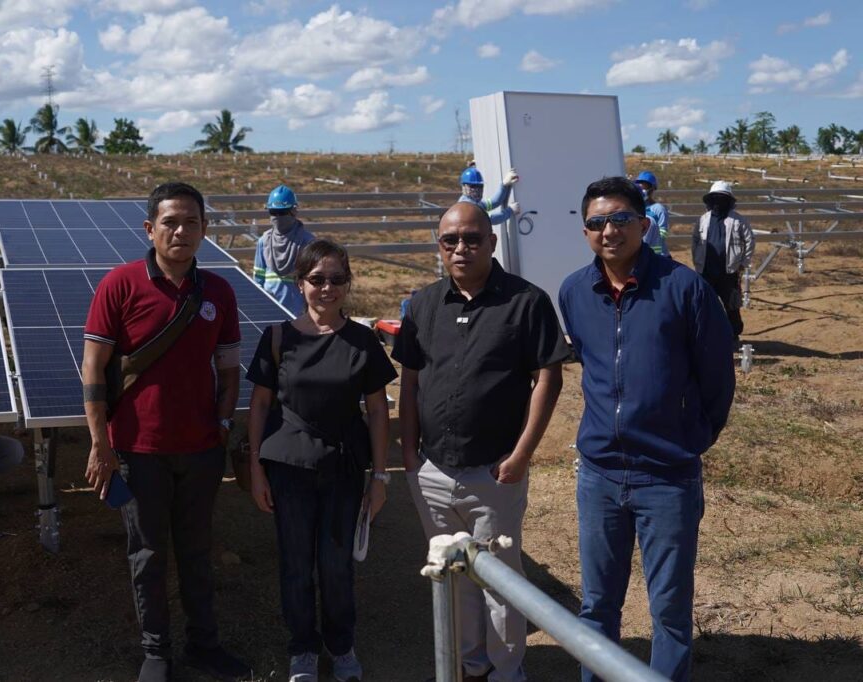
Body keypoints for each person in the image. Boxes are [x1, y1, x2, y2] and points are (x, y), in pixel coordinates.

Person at [558, 177, 736, 682]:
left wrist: (692, 438)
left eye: (618, 219)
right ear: (586, 230)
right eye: (596, 222)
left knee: (670, 611)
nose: (608, 230)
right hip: (600, 475)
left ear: (643, 223)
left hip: (667, 476)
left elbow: (717, 378)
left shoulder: (685, 289)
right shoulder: (574, 291)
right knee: (597, 603)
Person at [81, 181, 251, 682]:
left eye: (192, 222)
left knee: (198, 552)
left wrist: (222, 424)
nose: (181, 231)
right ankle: (156, 653)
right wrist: (100, 444)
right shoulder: (120, 284)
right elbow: (93, 368)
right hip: (138, 450)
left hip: (201, 449)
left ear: (204, 229)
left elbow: (230, 369)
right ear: (150, 228)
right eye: (170, 222)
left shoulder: (218, 291)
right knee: (148, 555)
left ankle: (204, 645)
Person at [395, 202, 570, 682]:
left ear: (492, 242)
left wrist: (521, 455)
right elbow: (409, 382)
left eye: (472, 238)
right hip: (432, 470)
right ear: (439, 246)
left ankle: (506, 672)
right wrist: (410, 454)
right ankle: (471, 665)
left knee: (501, 582)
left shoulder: (526, 302)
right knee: (454, 580)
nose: (460, 248)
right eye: (450, 240)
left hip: (495, 471)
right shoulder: (423, 304)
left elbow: (547, 379)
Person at [246, 239, 397, 682]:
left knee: (336, 565)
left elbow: (375, 411)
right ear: (301, 283)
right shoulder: (278, 338)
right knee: (295, 564)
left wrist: (381, 476)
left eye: (336, 279)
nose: (327, 288)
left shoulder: (363, 342)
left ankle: (341, 644)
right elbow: (259, 406)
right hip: (288, 470)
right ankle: (303, 650)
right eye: (317, 279)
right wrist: (256, 467)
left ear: (347, 284)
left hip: (343, 469)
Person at [692, 180, 755, 349]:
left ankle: (734, 335)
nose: (718, 202)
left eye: (722, 198)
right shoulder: (703, 220)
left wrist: (743, 263)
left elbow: (749, 241)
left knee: (731, 305)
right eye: (715, 198)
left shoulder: (738, 220)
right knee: (704, 305)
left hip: (729, 271)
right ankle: (705, 336)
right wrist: (698, 263)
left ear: (729, 200)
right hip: (706, 271)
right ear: (710, 201)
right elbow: (696, 241)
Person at [254, 184, 315, 312]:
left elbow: (313, 281)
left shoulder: (307, 242)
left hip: (298, 312)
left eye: (282, 212)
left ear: (293, 212)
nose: (277, 217)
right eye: (273, 212)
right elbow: (258, 278)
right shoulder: (264, 241)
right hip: (270, 311)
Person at [634, 170, 670, 257]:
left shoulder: (659, 209)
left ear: (652, 189)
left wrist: (649, 236)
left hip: (658, 256)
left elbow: (663, 233)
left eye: (645, 187)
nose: (642, 190)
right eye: (640, 186)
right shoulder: (633, 208)